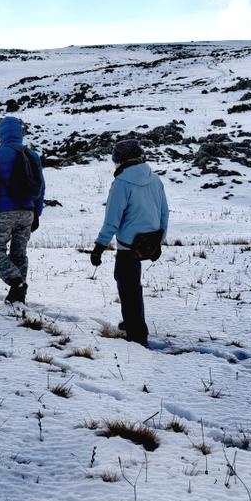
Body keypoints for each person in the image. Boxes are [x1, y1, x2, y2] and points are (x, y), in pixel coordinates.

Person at [89, 139, 169, 347]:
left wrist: (99, 247)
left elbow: (112, 220)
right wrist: (159, 241)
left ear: (120, 160)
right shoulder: (154, 179)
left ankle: (137, 334)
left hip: (128, 244)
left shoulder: (121, 183)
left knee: (128, 286)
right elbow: (164, 213)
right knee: (133, 284)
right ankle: (132, 322)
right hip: (149, 240)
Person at [0, 116, 45, 304]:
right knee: (19, 254)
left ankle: (16, 283)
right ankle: (18, 297)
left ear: (1, 134)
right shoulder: (33, 155)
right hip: (27, 212)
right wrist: (37, 214)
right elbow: (41, 187)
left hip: (4, 212)